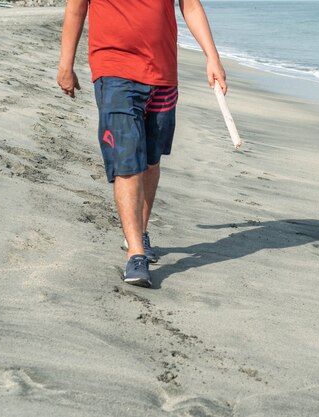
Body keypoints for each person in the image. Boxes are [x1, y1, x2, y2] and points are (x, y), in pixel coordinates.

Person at [57, 0, 227, 288]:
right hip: (115, 71)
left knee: (150, 159)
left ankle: (139, 231)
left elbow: (191, 6)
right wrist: (66, 65)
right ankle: (136, 253)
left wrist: (212, 57)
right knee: (127, 161)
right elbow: (76, 8)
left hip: (162, 73)